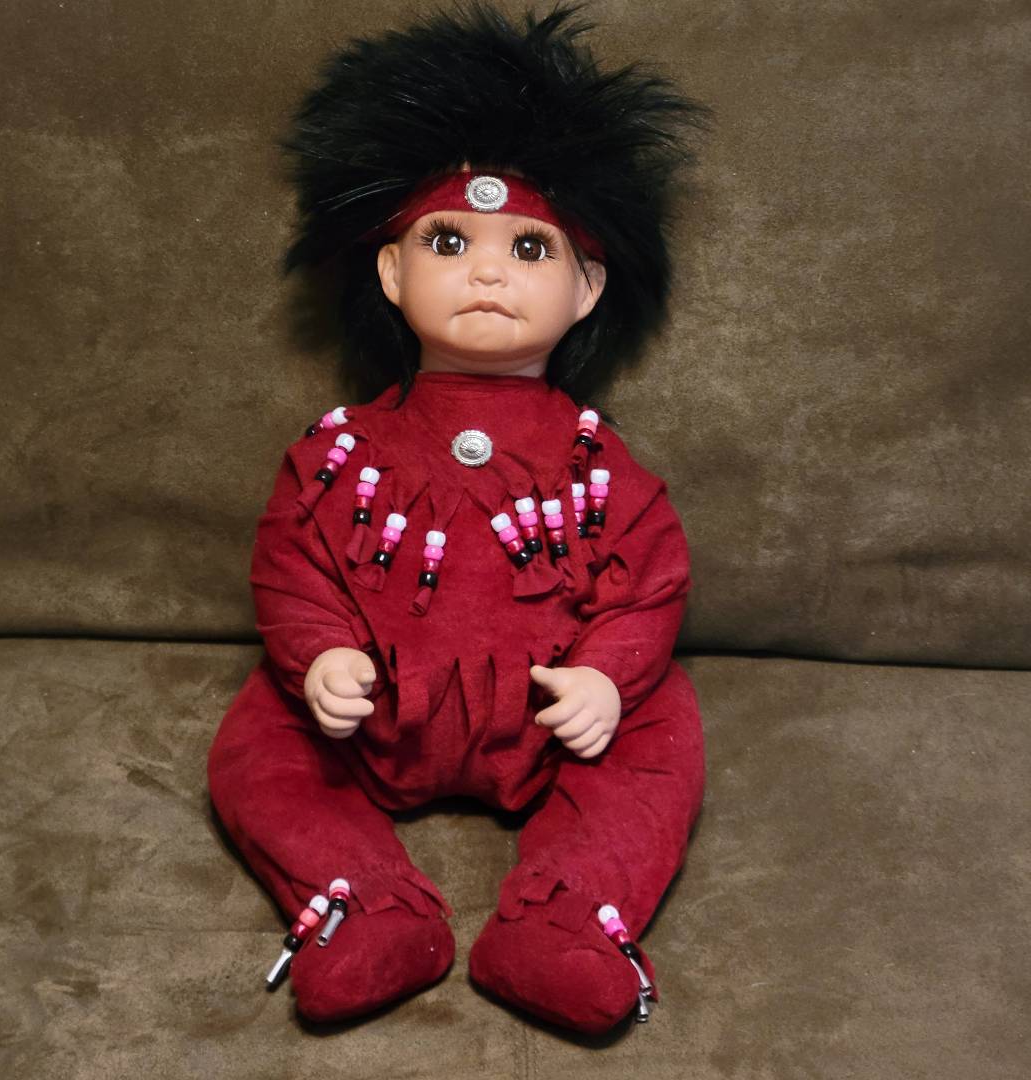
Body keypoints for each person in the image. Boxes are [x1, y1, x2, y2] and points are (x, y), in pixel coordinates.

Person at [207, 0, 712, 1034]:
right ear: (393, 272)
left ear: (587, 289)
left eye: (530, 247)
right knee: (256, 742)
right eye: (449, 240)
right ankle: (363, 904)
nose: (487, 270)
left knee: (666, 732)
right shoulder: (338, 452)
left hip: (551, 728)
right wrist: (319, 656)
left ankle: (566, 917)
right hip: (371, 718)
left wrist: (606, 679)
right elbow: (291, 563)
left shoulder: (597, 463)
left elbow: (650, 579)